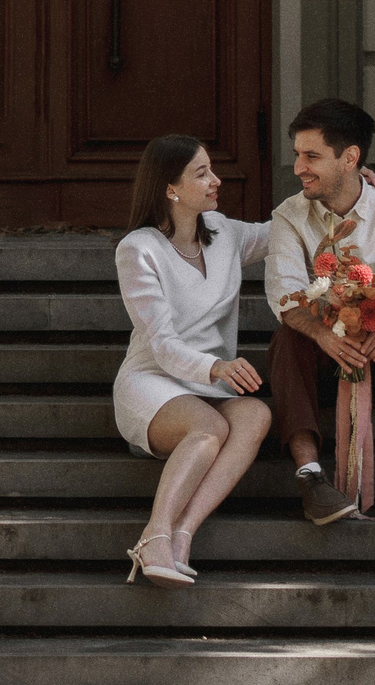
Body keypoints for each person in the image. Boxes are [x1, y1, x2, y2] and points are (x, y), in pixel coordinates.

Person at [264, 98, 375, 527]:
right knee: (287, 337)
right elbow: (285, 295)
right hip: (321, 361)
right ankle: (311, 478)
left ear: (350, 158)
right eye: (297, 155)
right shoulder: (289, 216)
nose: (298, 168)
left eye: (311, 156)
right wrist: (324, 335)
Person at [110, 133, 273, 585]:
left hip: (210, 387)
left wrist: (348, 187)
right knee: (209, 429)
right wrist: (216, 366)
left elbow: (289, 226)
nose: (216, 180)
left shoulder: (226, 234)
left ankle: (183, 534)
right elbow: (160, 342)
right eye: (202, 173)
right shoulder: (138, 249)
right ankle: (153, 534)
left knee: (256, 414)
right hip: (153, 380)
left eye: (212, 169)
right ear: (170, 188)